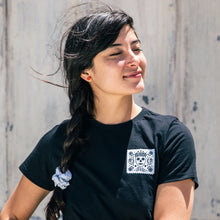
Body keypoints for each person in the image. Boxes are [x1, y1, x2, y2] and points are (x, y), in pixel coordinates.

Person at [0, 6, 198, 220]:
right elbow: (11, 214)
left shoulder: (169, 137)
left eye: (137, 48)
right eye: (116, 53)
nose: (134, 60)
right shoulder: (61, 140)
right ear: (86, 72)